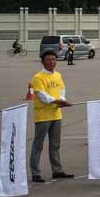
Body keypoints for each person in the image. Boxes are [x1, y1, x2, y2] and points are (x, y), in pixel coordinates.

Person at [30, 50, 74, 182]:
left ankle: (57, 170)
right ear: (43, 62)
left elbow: (62, 90)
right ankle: (35, 173)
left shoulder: (58, 75)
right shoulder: (38, 77)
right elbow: (42, 95)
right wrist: (58, 101)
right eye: (48, 60)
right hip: (43, 116)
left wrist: (62, 100)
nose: (51, 62)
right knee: (38, 145)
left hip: (56, 114)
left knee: (55, 144)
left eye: (54, 59)